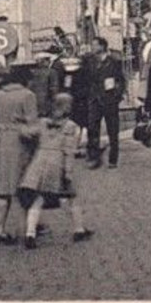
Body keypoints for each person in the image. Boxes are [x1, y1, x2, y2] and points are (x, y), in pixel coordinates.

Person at [17, 93, 94, 248]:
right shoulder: (72, 126)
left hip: (39, 161)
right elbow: (69, 151)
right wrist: (68, 172)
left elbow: (27, 133)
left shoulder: (42, 122)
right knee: (72, 196)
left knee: (37, 198)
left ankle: (30, 234)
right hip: (57, 163)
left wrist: (18, 124)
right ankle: (78, 230)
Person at [0, 65, 40, 245]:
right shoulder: (27, 96)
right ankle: (28, 230)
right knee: (27, 188)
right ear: (25, 80)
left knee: (2, 190)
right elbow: (32, 126)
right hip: (19, 145)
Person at [84, 38, 127, 169]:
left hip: (109, 100)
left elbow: (121, 80)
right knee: (92, 129)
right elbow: (86, 80)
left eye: (94, 45)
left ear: (102, 47)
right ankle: (94, 157)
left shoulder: (113, 62)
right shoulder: (89, 62)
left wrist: (117, 95)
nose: (92, 47)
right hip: (94, 100)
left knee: (112, 131)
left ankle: (113, 159)